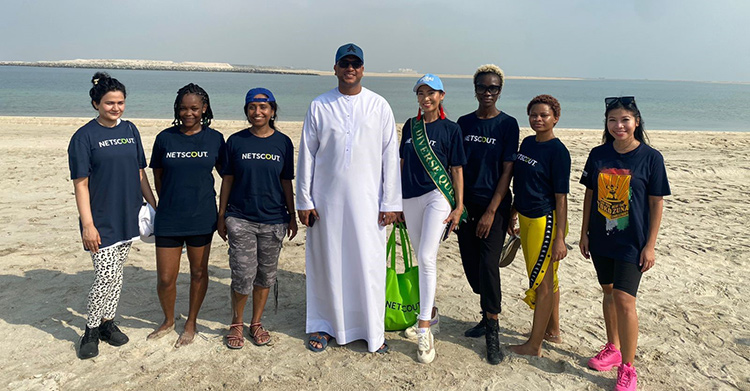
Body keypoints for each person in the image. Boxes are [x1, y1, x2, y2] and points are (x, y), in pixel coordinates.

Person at [296, 43, 402, 353]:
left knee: (367, 263)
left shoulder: (379, 106)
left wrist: (391, 203)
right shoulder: (319, 105)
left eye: (356, 63)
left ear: (363, 69)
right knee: (327, 262)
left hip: (369, 203)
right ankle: (325, 326)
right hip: (325, 202)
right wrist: (304, 200)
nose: (350, 68)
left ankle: (371, 330)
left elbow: (389, 157)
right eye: (345, 63)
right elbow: (308, 156)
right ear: (336, 68)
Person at [579, 96, 670, 391]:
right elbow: (590, 195)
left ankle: (628, 367)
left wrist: (650, 245)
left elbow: (656, 203)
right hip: (602, 236)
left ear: (636, 122)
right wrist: (583, 233)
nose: (619, 126)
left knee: (625, 299)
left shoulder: (651, 157)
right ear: (606, 123)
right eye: (612, 120)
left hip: (633, 241)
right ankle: (613, 348)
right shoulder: (598, 154)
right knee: (607, 292)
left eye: (625, 120)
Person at [68, 72, 157, 359]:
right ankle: (90, 330)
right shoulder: (84, 137)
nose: (116, 108)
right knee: (104, 276)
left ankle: (108, 323)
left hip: (127, 214)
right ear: (96, 103)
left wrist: (153, 204)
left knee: (117, 275)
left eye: (120, 102)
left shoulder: (130, 130)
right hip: (101, 219)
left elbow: (139, 171)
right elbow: (80, 184)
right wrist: (88, 225)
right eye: (109, 103)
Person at [217, 88, 297, 349]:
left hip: (274, 219)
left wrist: (292, 216)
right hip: (241, 218)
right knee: (242, 275)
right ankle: (237, 323)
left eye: (263, 107)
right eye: (252, 107)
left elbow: (286, 182)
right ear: (247, 111)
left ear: (272, 111)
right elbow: (227, 180)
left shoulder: (283, 142)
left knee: (265, 276)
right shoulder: (236, 141)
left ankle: (256, 322)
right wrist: (222, 215)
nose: (258, 112)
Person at [146, 84, 226, 347]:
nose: (188, 113)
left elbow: (227, 176)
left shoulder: (215, 139)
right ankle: (168, 320)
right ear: (176, 109)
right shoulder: (165, 138)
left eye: (194, 108)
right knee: (166, 278)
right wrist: (165, 200)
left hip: (201, 216)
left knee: (198, 273)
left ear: (204, 109)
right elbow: (157, 175)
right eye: (183, 108)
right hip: (169, 216)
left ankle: (191, 322)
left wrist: (224, 213)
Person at [398, 74, 466, 363]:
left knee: (427, 257)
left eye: (431, 93)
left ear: (441, 96)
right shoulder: (410, 127)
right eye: (421, 93)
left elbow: (457, 169)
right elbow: (401, 163)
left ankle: (424, 326)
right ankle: (433, 313)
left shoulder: (451, 129)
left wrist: (459, 206)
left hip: (437, 197)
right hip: (409, 198)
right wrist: (395, 201)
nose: (426, 98)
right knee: (418, 255)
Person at [456, 64, 519, 365]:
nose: (487, 93)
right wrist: (458, 206)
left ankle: (492, 330)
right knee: (472, 267)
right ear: (475, 89)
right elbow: (455, 168)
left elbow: (508, 169)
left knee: (488, 264)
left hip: (495, 206)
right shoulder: (463, 123)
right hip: (467, 207)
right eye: (482, 87)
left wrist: (492, 212)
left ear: (500, 90)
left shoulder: (508, 124)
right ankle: (485, 313)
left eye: (493, 88)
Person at [507, 95, 570, 357]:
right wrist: (513, 211)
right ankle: (552, 331)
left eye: (544, 115)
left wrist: (559, 239)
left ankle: (534, 345)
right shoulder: (527, 142)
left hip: (546, 221)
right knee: (549, 279)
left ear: (555, 117)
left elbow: (561, 197)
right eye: (533, 114)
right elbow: (520, 183)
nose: (538, 119)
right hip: (525, 217)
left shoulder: (558, 152)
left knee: (541, 283)